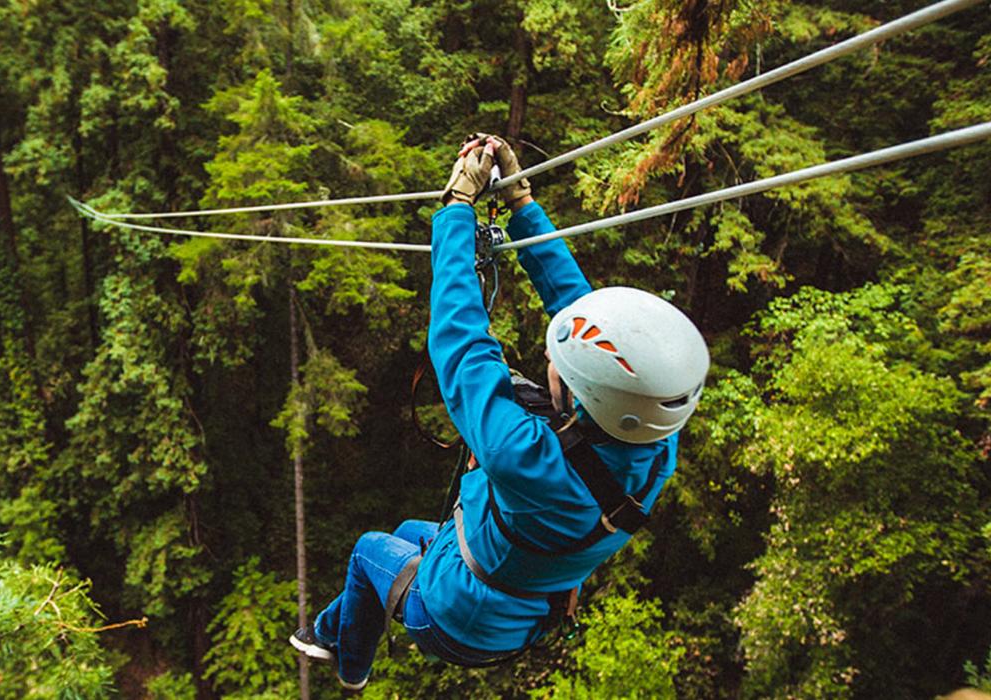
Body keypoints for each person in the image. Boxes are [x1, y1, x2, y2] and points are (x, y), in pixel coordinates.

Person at [289, 133, 709, 691]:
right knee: (412, 531)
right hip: (525, 609)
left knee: (370, 550)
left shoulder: (525, 455)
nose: (551, 357)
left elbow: (461, 339)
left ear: (586, 397)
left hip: (454, 620)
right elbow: (584, 313)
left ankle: (350, 665)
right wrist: (521, 204)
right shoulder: (657, 443)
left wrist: (456, 210)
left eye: (562, 361)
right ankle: (331, 634)